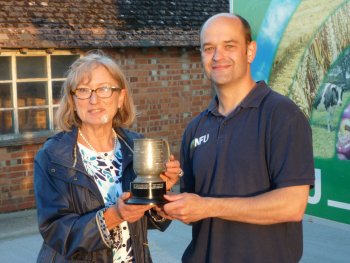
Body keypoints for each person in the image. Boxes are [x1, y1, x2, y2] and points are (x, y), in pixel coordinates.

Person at [159, 13, 315, 262]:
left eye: (229, 46)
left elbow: (292, 206)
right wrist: (164, 195)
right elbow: (193, 212)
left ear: (250, 51)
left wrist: (209, 206)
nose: (218, 56)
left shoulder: (282, 115)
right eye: (209, 48)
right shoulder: (195, 128)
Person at [34, 52, 182, 263]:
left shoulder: (134, 147)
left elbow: (148, 220)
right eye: (84, 91)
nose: (94, 100)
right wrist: (114, 216)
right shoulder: (54, 155)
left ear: (120, 97)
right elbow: (56, 232)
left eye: (104, 89)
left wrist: (160, 191)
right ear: (73, 101)